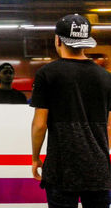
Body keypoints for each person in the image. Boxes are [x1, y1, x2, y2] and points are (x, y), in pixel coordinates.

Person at [30, 14, 111, 208]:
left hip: (61, 167)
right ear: (85, 42)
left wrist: (35, 158)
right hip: (98, 169)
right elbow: (109, 125)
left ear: (58, 40)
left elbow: (40, 124)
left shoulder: (47, 74)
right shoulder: (106, 77)